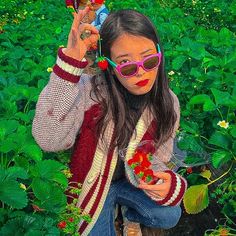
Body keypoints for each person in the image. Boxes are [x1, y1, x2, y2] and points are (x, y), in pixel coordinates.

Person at [32, 6, 187, 236]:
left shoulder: (167, 102)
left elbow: (158, 158)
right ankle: (115, 213)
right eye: (127, 65)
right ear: (110, 67)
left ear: (159, 55)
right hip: (92, 185)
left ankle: (129, 215)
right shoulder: (88, 92)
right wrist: (70, 63)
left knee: (169, 214)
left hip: (131, 183)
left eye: (150, 61)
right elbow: (49, 139)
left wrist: (166, 183)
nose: (141, 73)